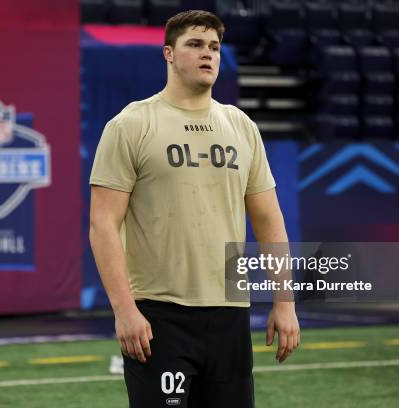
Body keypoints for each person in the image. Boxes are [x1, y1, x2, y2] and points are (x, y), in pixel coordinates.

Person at [89, 10, 300, 407]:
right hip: (158, 316)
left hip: (229, 315)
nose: (208, 54)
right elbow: (102, 225)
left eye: (215, 47)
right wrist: (124, 310)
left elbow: (270, 220)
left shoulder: (241, 126)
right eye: (195, 44)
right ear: (168, 53)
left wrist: (284, 303)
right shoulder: (131, 124)